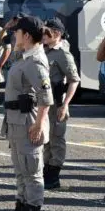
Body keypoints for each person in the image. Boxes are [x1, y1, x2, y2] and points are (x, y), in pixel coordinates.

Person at [0, 16, 53, 211]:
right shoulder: (24, 58)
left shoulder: (35, 61)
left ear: (27, 35)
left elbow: (45, 97)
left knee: (32, 171)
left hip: (28, 121)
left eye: (18, 32)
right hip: (16, 121)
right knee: (21, 170)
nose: (15, 35)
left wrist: (39, 125)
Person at [42, 18, 80, 190]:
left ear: (57, 33)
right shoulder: (43, 50)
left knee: (57, 139)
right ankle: (46, 169)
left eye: (46, 32)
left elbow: (74, 80)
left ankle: (53, 174)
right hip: (44, 102)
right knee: (45, 139)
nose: (42, 35)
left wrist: (65, 105)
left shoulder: (63, 53)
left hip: (57, 102)